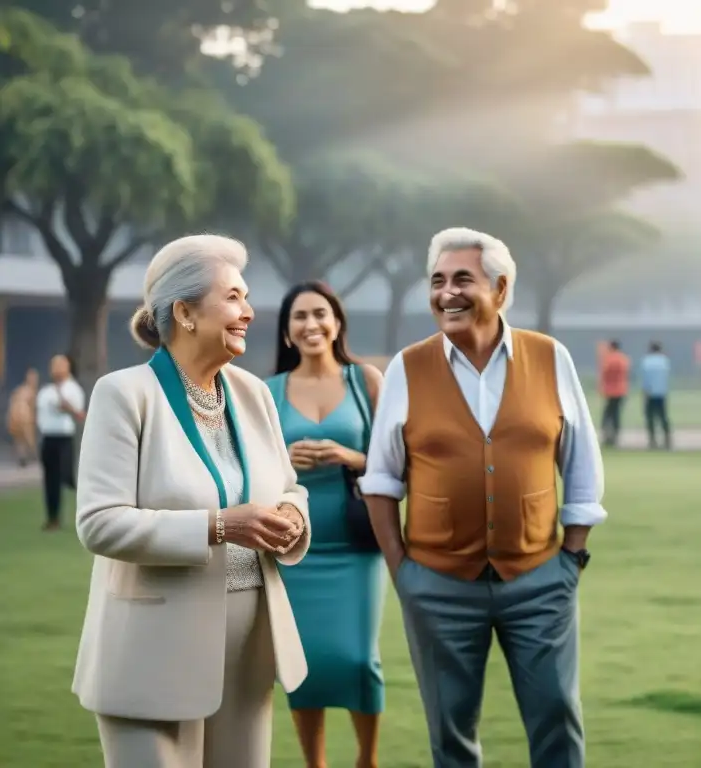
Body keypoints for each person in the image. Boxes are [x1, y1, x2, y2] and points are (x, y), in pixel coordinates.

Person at [361, 227, 606, 768]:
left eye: (462, 280)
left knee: (557, 723)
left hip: (541, 579)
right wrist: (405, 574)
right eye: (438, 281)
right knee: (450, 735)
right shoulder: (408, 366)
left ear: (499, 289)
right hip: (437, 584)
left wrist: (571, 557)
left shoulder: (549, 357)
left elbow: (581, 462)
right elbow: (380, 480)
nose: (447, 293)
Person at [71, 234, 312, 768]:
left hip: (248, 655)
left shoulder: (253, 393)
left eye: (246, 297)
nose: (249, 312)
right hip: (150, 655)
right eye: (233, 297)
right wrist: (219, 526)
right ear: (184, 311)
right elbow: (99, 524)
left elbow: (290, 485)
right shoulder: (123, 394)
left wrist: (294, 514)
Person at [266, 281, 386, 768]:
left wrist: (348, 456)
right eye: (300, 317)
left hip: (358, 544)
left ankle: (366, 759)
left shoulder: (366, 382)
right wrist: (283, 464)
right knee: (303, 662)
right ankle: (314, 763)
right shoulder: (267, 392)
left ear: (337, 322)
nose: (311, 324)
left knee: (360, 658)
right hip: (294, 546)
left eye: (321, 314)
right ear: (287, 332)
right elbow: (251, 472)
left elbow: (397, 462)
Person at [36, 354, 86, 529]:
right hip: (48, 438)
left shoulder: (73, 389)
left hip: (64, 439)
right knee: (51, 479)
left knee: (66, 477)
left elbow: (77, 412)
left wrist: (65, 404)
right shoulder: (45, 391)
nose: (56, 368)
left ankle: (86, 511)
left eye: (60, 364)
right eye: (53, 364)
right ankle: (53, 517)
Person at [639, 341, 671, 449]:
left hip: (650, 393)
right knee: (663, 417)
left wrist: (644, 392)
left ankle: (652, 440)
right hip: (661, 393)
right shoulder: (665, 361)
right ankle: (667, 439)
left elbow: (645, 379)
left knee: (650, 418)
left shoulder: (646, 361)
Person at [597, 339, 629, 446]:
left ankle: (607, 435)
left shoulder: (609, 358)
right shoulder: (623, 359)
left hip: (610, 390)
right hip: (621, 390)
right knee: (616, 414)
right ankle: (615, 435)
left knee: (607, 415)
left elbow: (604, 373)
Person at [6, 367, 39, 466]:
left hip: (15, 414)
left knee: (21, 439)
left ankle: (23, 457)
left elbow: (12, 401)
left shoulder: (20, 390)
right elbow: (32, 406)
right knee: (27, 437)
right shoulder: (29, 391)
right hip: (23, 414)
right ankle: (31, 455)